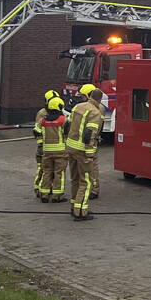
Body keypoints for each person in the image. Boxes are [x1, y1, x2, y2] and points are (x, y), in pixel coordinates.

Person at [65, 84, 103, 221]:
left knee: (75, 179)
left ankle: (74, 206)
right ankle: (81, 212)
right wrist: (89, 154)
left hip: (70, 148)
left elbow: (66, 126)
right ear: (99, 100)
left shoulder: (77, 107)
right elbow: (89, 134)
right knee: (86, 182)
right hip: (82, 151)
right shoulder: (95, 113)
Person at [39, 96, 69, 202]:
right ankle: (57, 196)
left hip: (46, 151)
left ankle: (44, 194)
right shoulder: (63, 120)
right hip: (60, 151)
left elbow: (37, 131)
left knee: (47, 172)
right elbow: (67, 134)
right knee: (59, 173)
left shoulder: (42, 120)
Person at [33, 90, 58, 197]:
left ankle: (47, 188)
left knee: (49, 170)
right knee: (42, 169)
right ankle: (38, 188)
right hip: (43, 148)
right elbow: (37, 131)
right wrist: (41, 144)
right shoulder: (42, 113)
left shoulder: (53, 112)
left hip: (49, 147)